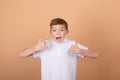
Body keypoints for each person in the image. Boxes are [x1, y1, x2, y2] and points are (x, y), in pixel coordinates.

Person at [20, 18, 98, 80]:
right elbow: (22, 54)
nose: (58, 33)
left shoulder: (73, 45)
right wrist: (36, 48)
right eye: (54, 30)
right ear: (50, 32)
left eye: (61, 30)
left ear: (67, 31)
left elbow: (95, 55)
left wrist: (80, 51)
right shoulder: (44, 45)